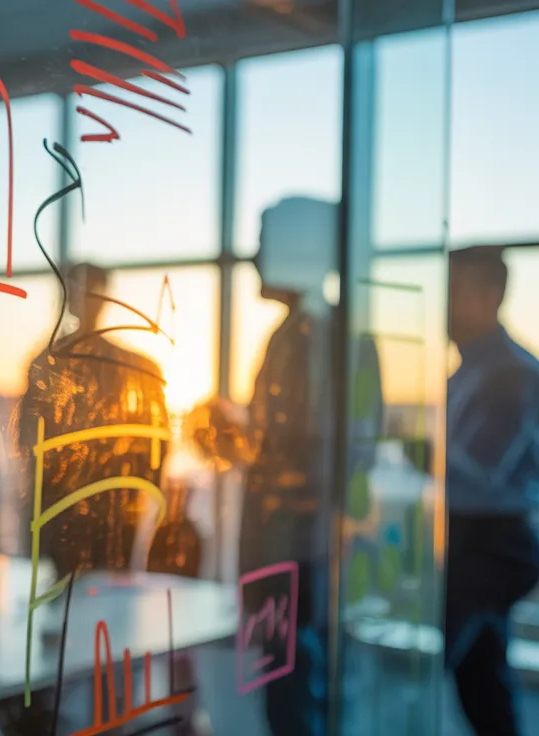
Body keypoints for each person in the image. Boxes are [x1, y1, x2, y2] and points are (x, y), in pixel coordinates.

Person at [195, 197, 380, 736]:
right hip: (296, 543)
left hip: (299, 545)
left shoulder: (319, 335)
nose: (255, 258)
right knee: (292, 685)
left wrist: (239, 439)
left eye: (265, 243)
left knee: (295, 689)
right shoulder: (314, 331)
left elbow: (313, 451)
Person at [445, 246, 539, 736]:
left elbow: (483, 467)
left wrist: (414, 447)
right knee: (483, 684)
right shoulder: (468, 371)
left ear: (491, 295)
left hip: (494, 545)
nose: (443, 303)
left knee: (418, 664)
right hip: (473, 540)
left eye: (455, 290)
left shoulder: (511, 374)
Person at [16, 262, 168, 579]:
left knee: (89, 588)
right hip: (75, 504)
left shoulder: (52, 362)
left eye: (90, 293)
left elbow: (29, 441)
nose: (84, 301)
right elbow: (29, 440)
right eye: (80, 293)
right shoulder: (53, 362)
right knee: (84, 588)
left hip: (100, 505)